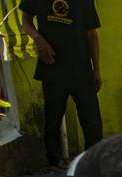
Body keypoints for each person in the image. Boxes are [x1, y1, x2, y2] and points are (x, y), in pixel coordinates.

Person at [20, 0, 103, 168]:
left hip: (81, 67)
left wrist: (97, 69)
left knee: (91, 120)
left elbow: (92, 34)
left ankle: (94, 162)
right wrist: (37, 39)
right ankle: (53, 163)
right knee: (53, 118)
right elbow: (26, 20)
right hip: (51, 66)